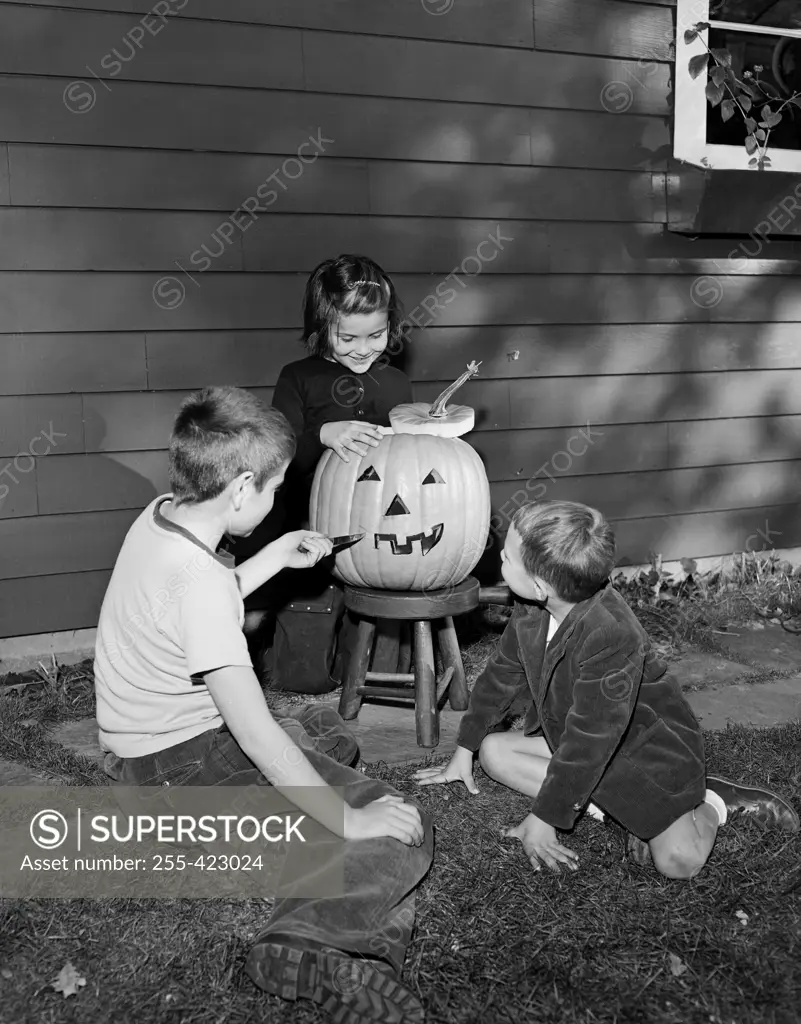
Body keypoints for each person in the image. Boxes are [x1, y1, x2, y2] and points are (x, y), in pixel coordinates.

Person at [94, 386, 432, 1022]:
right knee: (393, 827)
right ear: (243, 486)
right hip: (179, 773)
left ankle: (353, 952)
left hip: (144, 756)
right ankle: (303, 943)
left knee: (323, 745)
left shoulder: (164, 516)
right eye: (275, 488)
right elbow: (255, 733)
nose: (277, 500)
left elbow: (202, 603)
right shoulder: (198, 583)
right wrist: (350, 820)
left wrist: (276, 555)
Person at [415, 500, 799, 878]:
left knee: (679, 861)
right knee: (493, 751)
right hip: (580, 739)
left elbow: (591, 739)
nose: (500, 556)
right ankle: (608, 809)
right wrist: (465, 748)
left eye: (508, 558)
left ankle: (715, 801)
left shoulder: (611, 634)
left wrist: (544, 818)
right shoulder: (531, 607)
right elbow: (502, 674)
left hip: (644, 754)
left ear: (539, 585)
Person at [236, 253, 413, 694]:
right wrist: (323, 433)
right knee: (254, 610)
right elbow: (278, 456)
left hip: (366, 521)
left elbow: (406, 457)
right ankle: (234, 669)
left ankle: (355, 660)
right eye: (347, 337)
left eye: (377, 334)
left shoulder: (394, 384)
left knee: (363, 605)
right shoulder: (298, 377)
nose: (363, 348)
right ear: (322, 328)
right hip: (297, 515)